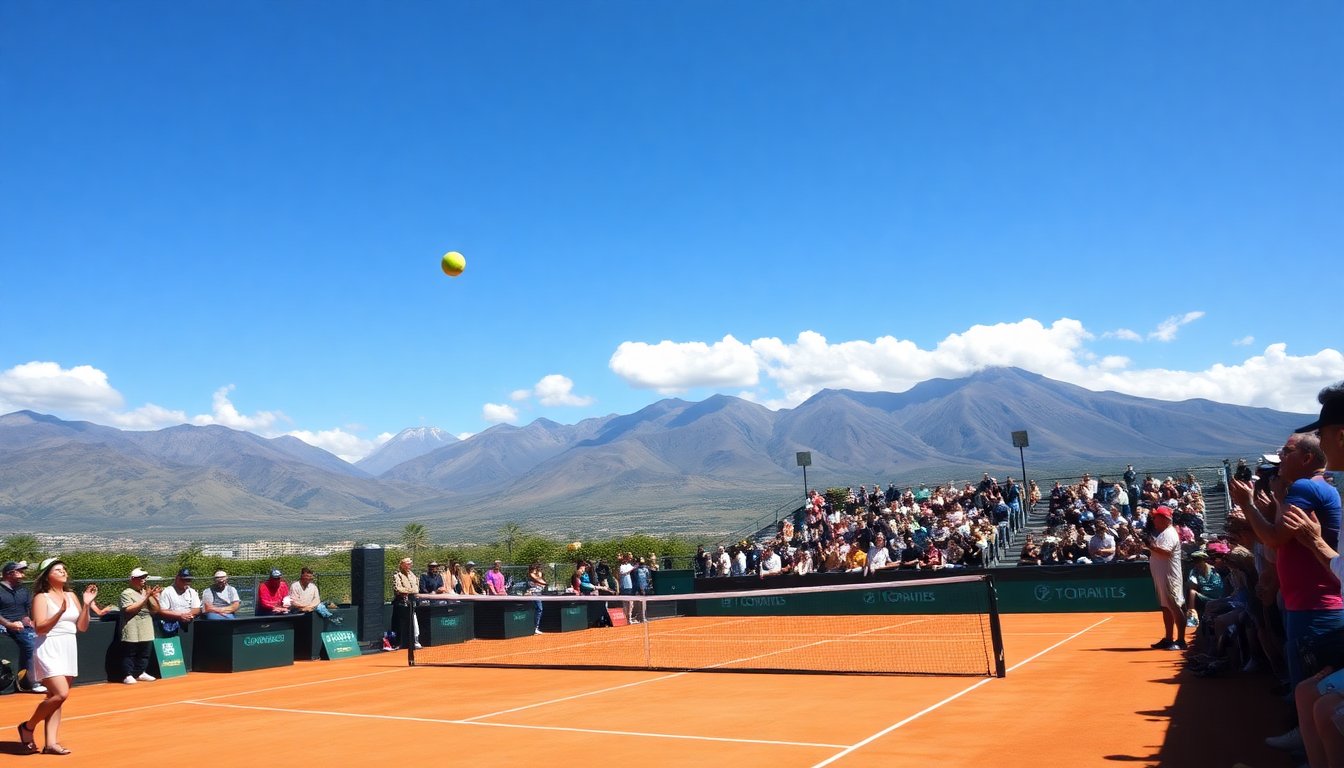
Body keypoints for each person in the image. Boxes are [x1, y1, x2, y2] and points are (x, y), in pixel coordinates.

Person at [17, 558, 97, 755]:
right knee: (61, 693)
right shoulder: (41, 598)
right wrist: (59, 612)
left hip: (68, 647)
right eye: (58, 570)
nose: (63, 572)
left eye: (64, 569)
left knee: (55, 698)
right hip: (48, 646)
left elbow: (82, 627)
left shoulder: (71, 595)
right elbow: (41, 628)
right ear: (47, 575)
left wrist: (86, 605)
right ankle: (28, 726)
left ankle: (50, 743)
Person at [1144, 506, 1186, 650]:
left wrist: (1149, 545)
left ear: (1164, 519)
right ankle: (1169, 639)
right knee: (1166, 608)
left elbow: (1166, 552)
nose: (1154, 519)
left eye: (1156, 517)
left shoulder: (1169, 533)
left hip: (1170, 576)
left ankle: (1181, 641)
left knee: (1174, 607)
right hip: (1163, 576)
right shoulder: (1163, 533)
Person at [1, 560, 44, 694]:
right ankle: (32, 683)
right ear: (9, 573)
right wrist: (8, 624)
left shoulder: (23, 590)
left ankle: (27, 680)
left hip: (21, 626)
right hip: (3, 625)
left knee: (38, 642)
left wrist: (29, 620)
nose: (22, 573)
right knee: (30, 644)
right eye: (19, 570)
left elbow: (27, 609)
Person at [119, 567, 159, 684]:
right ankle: (128, 674)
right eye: (140, 578)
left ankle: (140, 672)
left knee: (145, 651)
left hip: (146, 624)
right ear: (132, 579)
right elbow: (129, 610)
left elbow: (156, 610)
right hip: (132, 625)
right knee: (130, 651)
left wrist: (154, 597)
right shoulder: (126, 593)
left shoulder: (145, 592)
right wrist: (146, 597)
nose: (143, 580)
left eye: (144, 577)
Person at [155, 568, 200, 637]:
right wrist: (180, 616)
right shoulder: (167, 592)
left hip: (189, 625)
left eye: (189, 580)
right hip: (171, 626)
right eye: (184, 580)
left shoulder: (192, 592)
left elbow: (197, 609)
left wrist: (187, 615)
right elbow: (162, 611)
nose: (187, 582)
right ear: (177, 578)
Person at [391, 557, 420, 649]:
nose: (410, 565)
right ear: (402, 565)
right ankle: (399, 643)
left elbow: (416, 588)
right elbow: (398, 589)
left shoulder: (413, 575)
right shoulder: (397, 575)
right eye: (408, 564)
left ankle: (413, 642)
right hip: (401, 603)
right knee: (401, 624)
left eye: (410, 563)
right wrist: (410, 591)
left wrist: (410, 591)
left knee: (413, 622)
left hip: (412, 601)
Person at [526, 563, 546, 634]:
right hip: (533, 594)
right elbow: (542, 583)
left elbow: (542, 583)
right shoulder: (531, 576)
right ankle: (535, 627)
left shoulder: (537, 575)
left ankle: (535, 627)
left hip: (538, 594)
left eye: (535, 569)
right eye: (533, 569)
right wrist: (542, 583)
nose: (534, 571)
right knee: (539, 609)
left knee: (538, 609)